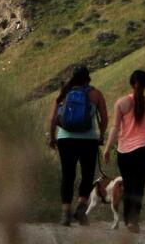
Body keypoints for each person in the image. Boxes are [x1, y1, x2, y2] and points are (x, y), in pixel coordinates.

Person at [47, 65, 108, 227]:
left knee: (68, 175)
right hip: (89, 140)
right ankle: (81, 207)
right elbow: (104, 118)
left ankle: (65, 214)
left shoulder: (64, 93)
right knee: (87, 175)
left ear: (72, 77)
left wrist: (52, 138)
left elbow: (52, 119)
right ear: (88, 78)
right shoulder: (95, 94)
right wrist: (101, 135)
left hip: (65, 139)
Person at [103, 68, 145, 233]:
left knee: (128, 185)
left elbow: (115, 128)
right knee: (139, 186)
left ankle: (128, 219)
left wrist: (107, 148)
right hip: (144, 150)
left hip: (124, 152)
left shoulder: (121, 103)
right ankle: (133, 220)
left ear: (131, 83)